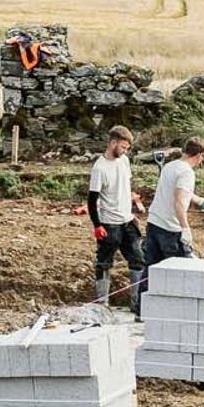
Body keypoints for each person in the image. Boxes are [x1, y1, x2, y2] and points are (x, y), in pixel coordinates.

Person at [85, 126, 144, 303]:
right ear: (113, 143)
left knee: (138, 260)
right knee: (104, 262)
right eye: (123, 147)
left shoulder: (124, 161)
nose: (125, 151)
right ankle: (103, 301)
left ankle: (137, 302)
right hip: (109, 224)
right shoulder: (100, 168)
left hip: (127, 221)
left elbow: (125, 189)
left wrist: (131, 212)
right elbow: (91, 200)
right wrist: (97, 225)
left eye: (127, 148)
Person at [143, 136, 204, 284]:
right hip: (169, 229)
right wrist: (185, 228)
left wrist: (199, 200)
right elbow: (179, 202)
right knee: (181, 270)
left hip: (153, 224)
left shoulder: (170, 166)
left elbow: (178, 192)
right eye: (202, 158)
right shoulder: (187, 172)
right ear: (198, 155)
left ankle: (141, 305)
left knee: (151, 269)